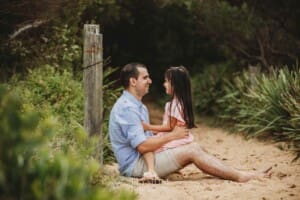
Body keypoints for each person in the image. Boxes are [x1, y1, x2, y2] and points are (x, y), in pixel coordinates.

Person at [109, 62, 271, 184]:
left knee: (195, 148)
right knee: (192, 150)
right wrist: (173, 136)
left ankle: (239, 171)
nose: (150, 81)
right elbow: (143, 146)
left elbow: (149, 141)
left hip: (145, 160)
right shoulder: (127, 109)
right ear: (133, 82)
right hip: (135, 166)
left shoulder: (139, 106)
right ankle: (242, 176)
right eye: (145, 77)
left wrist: (169, 138)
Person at [138, 66, 196, 183]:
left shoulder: (174, 104)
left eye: (166, 81)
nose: (164, 84)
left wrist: (147, 127)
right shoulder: (181, 103)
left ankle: (152, 171)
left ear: (175, 85)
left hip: (177, 138)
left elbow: (168, 127)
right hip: (181, 137)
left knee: (149, 147)